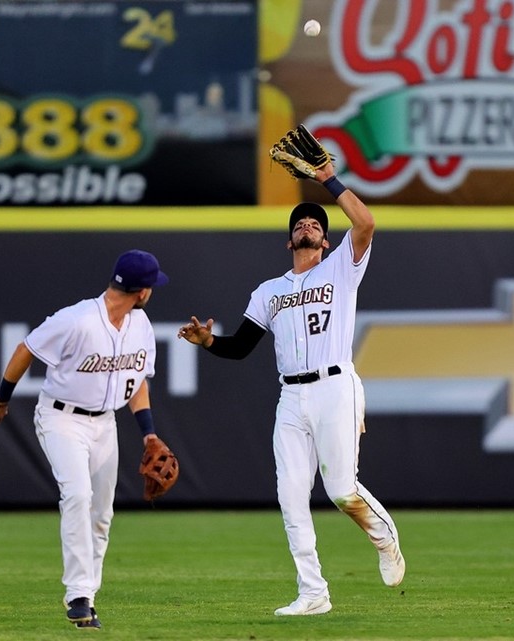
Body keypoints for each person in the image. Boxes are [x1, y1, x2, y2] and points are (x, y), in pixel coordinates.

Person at [176, 165, 406, 616]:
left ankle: (384, 539)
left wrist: (328, 181)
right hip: (291, 398)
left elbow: (366, 223)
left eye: (316, 224)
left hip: (335, 385)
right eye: (299, 223)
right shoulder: (268, 291)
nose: (307, 224)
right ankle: (313, 592)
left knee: (341, 491)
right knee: (290, 495)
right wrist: (208, 342)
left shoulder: (342, 266)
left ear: (324, 241)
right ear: (289, 241)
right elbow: (241, 346)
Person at [0, 250, 172, 631]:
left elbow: (136, 382)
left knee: (101, 515)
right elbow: (25, 350)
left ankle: (88, 598)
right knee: (77, 495)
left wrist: (148, 432)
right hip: (60, 418)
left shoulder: (140, 324)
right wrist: (1, 401)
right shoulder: (77, 319)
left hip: (105, 424)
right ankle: (78, 595)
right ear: (142, 290)